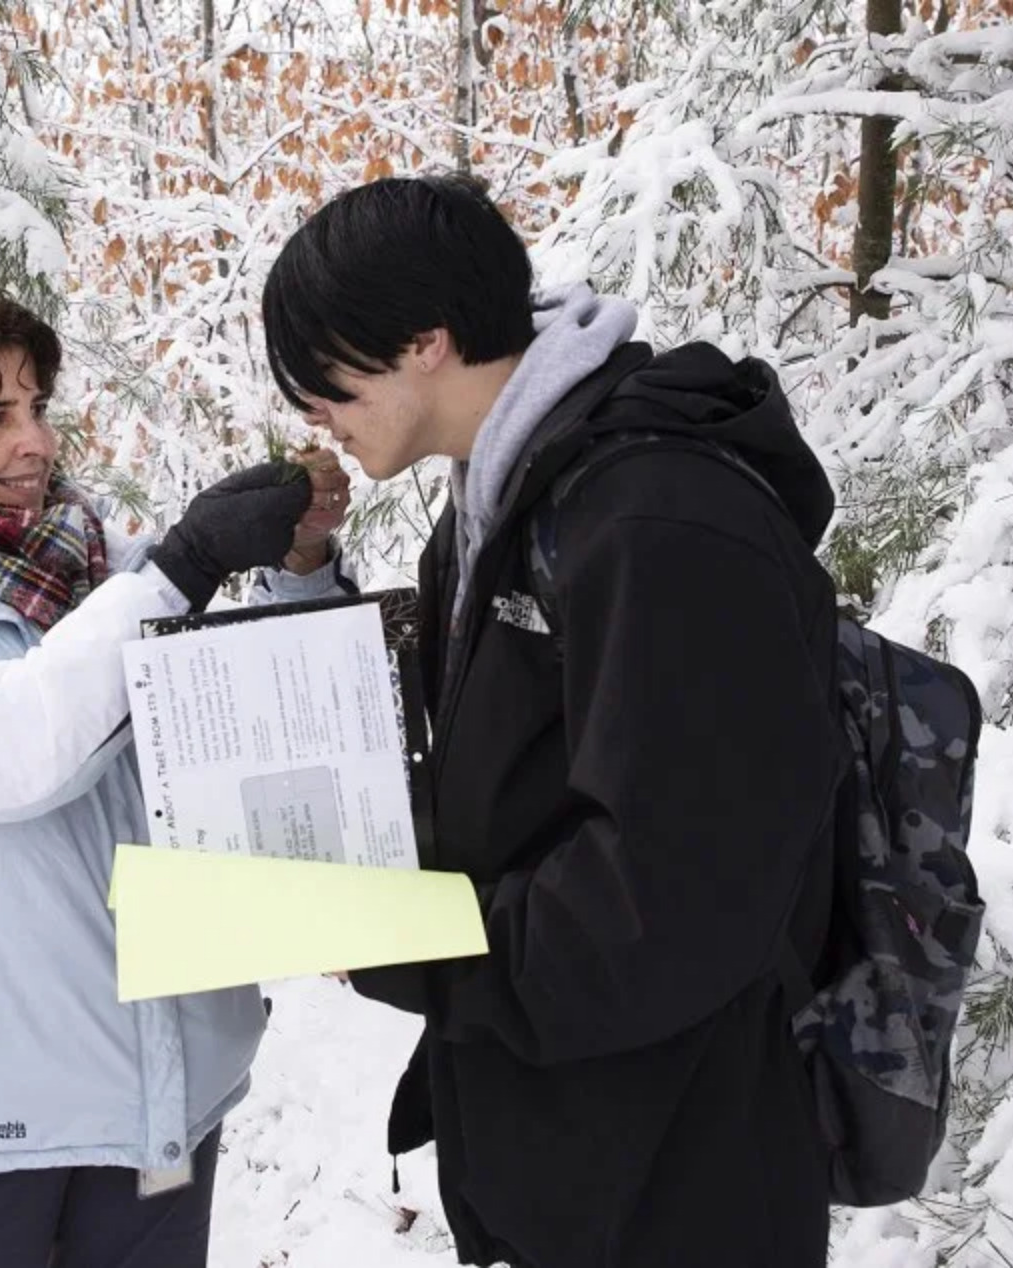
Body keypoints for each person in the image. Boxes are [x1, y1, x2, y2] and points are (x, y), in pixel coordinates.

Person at [260, 175, 846, 1267]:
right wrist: (299, 581)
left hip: (678, 1174)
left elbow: (664, 901)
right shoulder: (508, 498)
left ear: (424, 339)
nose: (313, 414)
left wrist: (391, 941)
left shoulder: (657, 518)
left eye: (322, 378)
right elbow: (490, 768)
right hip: (569, 1147)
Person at [0, 293, 352, 1268]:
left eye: (37, 406)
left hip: (162, 1099)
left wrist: (299, 564)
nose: (33, 440)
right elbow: (6, 754)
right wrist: (184, 563)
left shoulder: (104, 576)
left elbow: (273, 727)